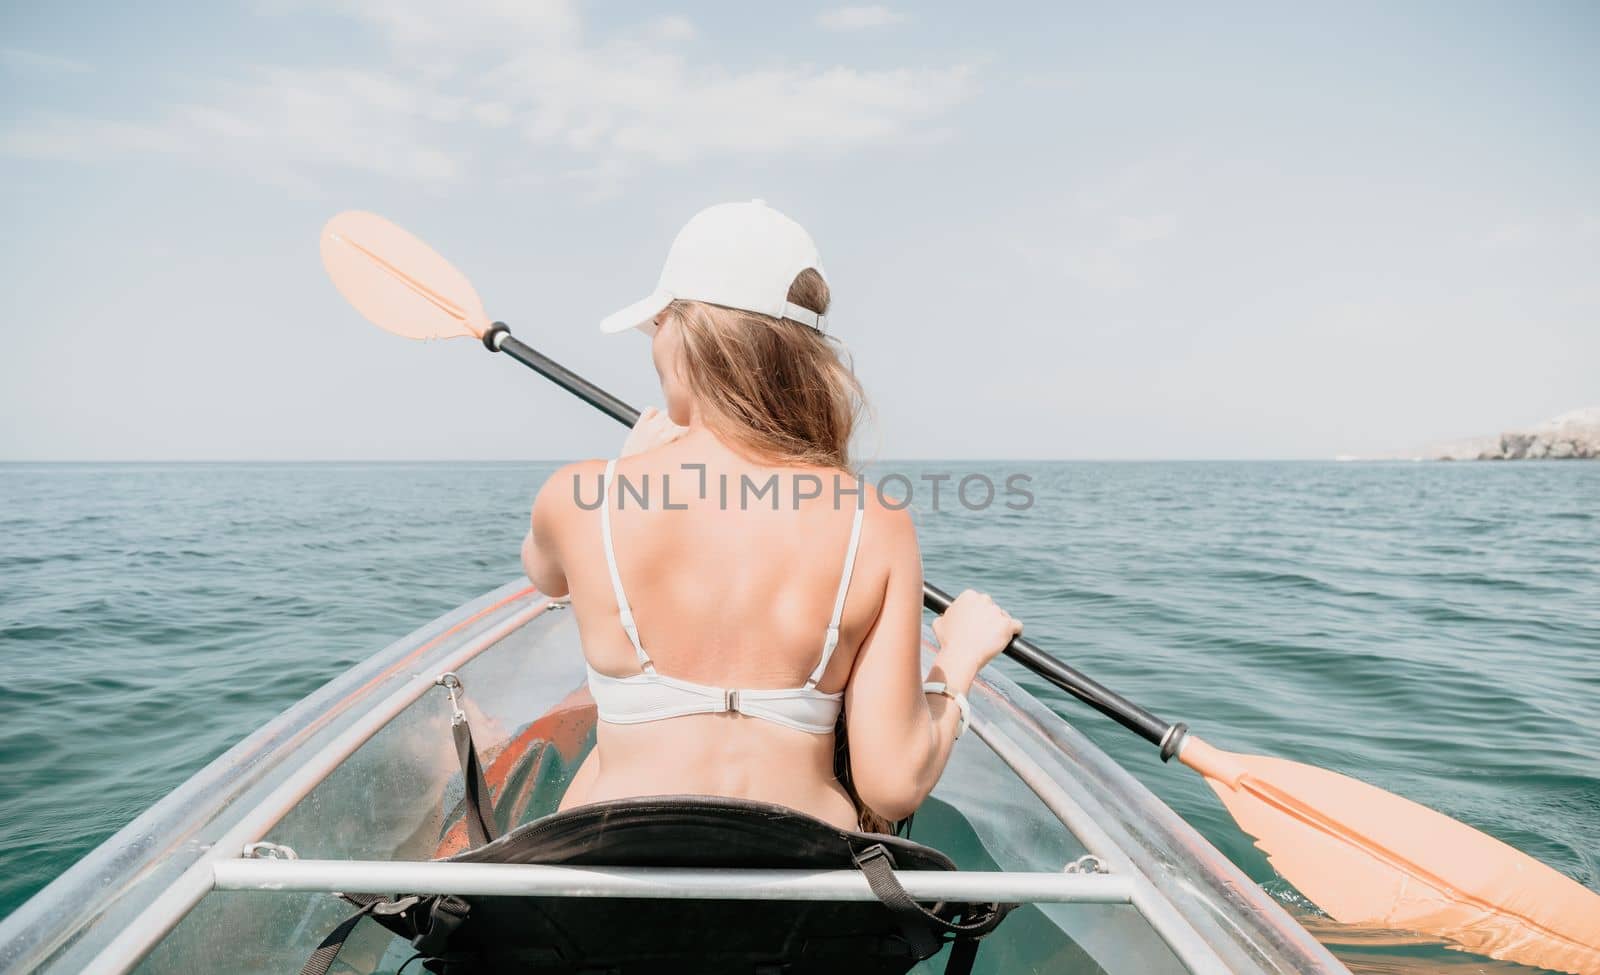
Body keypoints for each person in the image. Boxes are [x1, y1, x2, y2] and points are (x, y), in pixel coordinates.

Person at [520, 200, 1021, 832]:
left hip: (609, 888)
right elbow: (892, 786)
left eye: (659, 325)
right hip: (799, 904)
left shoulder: (579, 496)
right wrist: (959, 659)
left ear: (685, 332)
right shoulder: (876, 522)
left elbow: (544, 575)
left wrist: (626, 469)